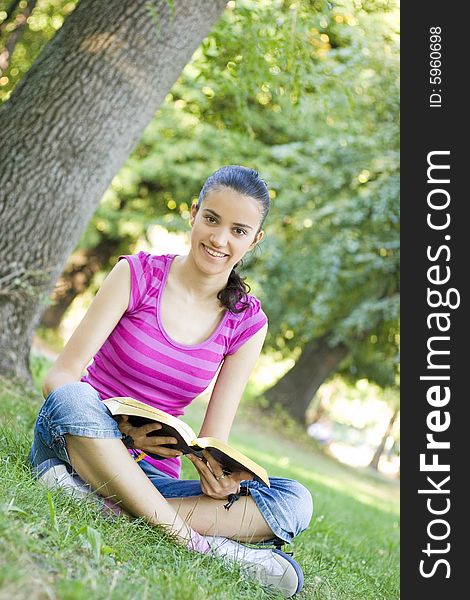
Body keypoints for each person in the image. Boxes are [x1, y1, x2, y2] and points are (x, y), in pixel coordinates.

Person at [28, 165, 313, 597]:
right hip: (81, 444)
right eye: (212, 219)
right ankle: (196, 541)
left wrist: (217, 476)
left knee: (294, 501)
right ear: (194, 214)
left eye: (238, 230)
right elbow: (59, 376)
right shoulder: (137, 275)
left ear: (254, 240)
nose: (219, 240)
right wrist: (120, 428)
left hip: (156, 477)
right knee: (72, 397)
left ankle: (111, 507)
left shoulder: (247, 322)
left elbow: (215, 437)